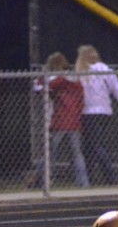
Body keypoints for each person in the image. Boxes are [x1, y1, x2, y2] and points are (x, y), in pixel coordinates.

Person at [75, 45, 118, 186]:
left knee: (94, 145)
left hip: (91, 112)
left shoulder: (94, 71)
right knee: (90, 146)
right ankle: (90, 178)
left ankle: (110, 177)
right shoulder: (101, 71)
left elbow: (116, 90)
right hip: (101, 112)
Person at [29, 52, 89, 189]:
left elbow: (40, 87)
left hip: (60, 119)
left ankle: (42, 180)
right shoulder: (76, 80)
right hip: (74, 121)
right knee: (77, 153)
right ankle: (83, 183)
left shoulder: (59, 80)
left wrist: (42, 79)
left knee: (50, 152)